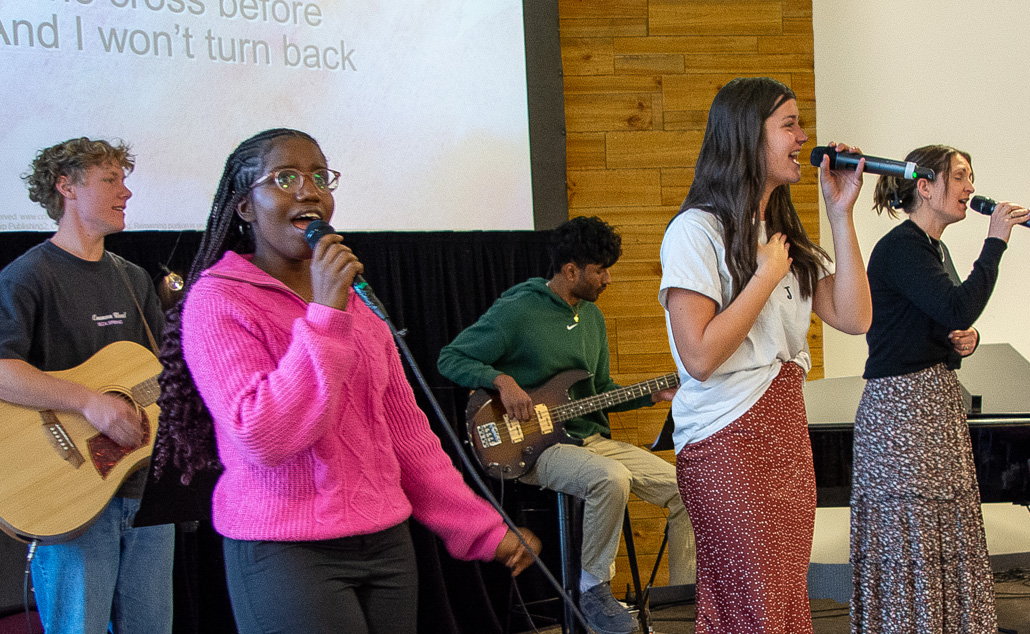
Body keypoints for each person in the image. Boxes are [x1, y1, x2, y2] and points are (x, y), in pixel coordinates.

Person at [151, 128, 539, 634]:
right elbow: (262, 434)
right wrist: (326, 315)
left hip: (386, 541)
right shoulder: (219, 301)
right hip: (287, 550)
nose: (308, 190)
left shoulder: (356, 304)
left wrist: (482, 528)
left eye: (319, 176)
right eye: (285, 177)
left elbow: (409, 440)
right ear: (245, 207)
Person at [659, 77, 870, 634]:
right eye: (790, 125)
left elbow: (854, 317)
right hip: (724, 437)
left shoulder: (782, 234)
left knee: (780, 604)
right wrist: (763, 277)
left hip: (784, 430)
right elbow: (699, 357)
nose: (804, 137)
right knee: (752, 607)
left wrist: (841, 212)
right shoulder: (695, 232)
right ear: (749, 136)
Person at [437, 215, 692, 634]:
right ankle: (592, 588)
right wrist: (502, 382)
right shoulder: (518, 309)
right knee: (609, 477)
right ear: (571, 270)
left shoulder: (591, 318)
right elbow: (451, 358)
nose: (607, 279)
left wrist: (652, 394)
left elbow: (603, 389)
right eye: (600, 269)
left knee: (688, 490)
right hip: (534, 447)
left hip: (589, 439)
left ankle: (686, 602)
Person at [851, 145, 1030, 633]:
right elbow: (956, 307)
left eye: (972, 177)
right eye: (961, 176)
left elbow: (945, 318)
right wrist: (996, 242)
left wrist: (961, 342)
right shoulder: (901, 246)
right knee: (914, 535)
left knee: (940, 532)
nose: (971, 187)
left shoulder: (933, 248)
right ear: (925, 187)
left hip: (931, 403)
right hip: (903, 412)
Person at [0, 138, 175, 633]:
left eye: (124, 179)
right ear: (66, 187)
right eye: (110, 179)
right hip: (69, 493)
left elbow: (164, 378)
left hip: (144, 490)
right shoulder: (27, 277)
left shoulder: (133, 278)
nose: (127, 192)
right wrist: (89, 402)